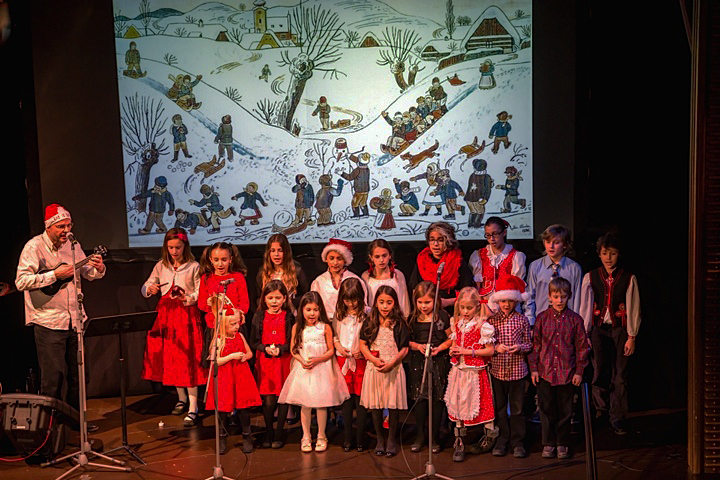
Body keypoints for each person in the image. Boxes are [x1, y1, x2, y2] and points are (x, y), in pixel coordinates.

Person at [15, 204, 106, 414]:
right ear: (49, 227)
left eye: (69, 225)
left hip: (75, 321)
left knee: (80, 376)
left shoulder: (73, 246)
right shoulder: (34, 247)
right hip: (48, 321)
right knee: (53, 377)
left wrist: (98, 268)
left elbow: (88, 272)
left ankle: (76, 422)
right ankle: (50, 427)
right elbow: (21, 282)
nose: (67, 231)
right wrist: (54, 275)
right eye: (61, 227)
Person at [140, 228, 206, 425]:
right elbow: (146, 287)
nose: (174, 251)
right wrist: (149, 289)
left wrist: (187, 298)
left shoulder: (194, 266)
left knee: (188, 359)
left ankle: (193, 406)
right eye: (170, 248)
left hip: (185, 316)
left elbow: (199, 293)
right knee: (172, 358)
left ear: (185, 246)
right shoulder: (161, 266)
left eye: (178, 247)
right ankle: (181, 399)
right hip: (166, 316)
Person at [579, 233, 641, 436]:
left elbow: (634, 307)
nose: (608, 258)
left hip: (620, 329)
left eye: (612, 254)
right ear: (599, 254)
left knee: (620, 374)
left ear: (618, 254)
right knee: (599, 371)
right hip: (598, 329)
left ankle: (618, 416)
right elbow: (585, 306)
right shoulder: (591, 276)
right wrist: (585, 333)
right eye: (605, 253)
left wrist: (632, 336)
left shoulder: (628, 278)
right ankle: (600, 411)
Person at [279, 292, 350, 452]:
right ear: (302, 310)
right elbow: (293, 349)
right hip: (304, 370)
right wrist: (302, 360)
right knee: (305, 404)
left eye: (316, 310)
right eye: (308, 309)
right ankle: (305, 436)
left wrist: (317, 360)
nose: (312, 313)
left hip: (321, 369)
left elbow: (331, 350)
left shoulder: (325, 327)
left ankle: (321, 436)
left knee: (321, 405)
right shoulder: (298, 327)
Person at [530, 277, 589, 459]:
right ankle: (548, 443)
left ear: (568, 297)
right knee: (547, 410)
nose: (559, 300)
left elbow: (581, 347)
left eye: (563, 297)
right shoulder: (542, 318)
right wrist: (534, 369)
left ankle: (562, 442)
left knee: (565, 411)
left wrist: (579, 371)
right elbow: (536, 345)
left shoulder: (575, 320)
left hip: (567, 372)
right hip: (546, 371)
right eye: (556, 296)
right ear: (549, 297)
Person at [445, 287, 498, 462]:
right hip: (459, 370)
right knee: (458, 402)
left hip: (474, 372)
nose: (465, 312)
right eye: (463, 308)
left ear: (477, 307)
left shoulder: (483, 326)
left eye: (469, 308)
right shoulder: (457, 323)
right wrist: (454, 351)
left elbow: (489, 350)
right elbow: (454, 343)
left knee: (480, 403)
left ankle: (489, 436)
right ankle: (459, 439)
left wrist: (468, 352)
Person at [359, 286, 409, 457]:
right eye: (381, 302)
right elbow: (362, 344)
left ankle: (391, 440)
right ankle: (380, 439)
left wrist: (393, 362)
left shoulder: (399, 323)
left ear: (394, 303)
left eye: (389, 302)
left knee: (393, 405)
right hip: (375, 368)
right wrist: (373, 360)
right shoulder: (370, 321)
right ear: (376, 303)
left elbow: (404, 348)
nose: (385, 306)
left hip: (393, 368)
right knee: (376, 405)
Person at [486, 275, 532, 458]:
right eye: (503, 300)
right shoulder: (492, 321)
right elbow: (487, 344)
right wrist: (496, 347)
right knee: (499, 407)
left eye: (510, 301)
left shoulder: (522, 320)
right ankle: (502, 439)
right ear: (498, 301)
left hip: (517, 371)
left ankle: (518, 442)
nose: (506, 304)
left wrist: (519, 347)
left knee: (518, 409)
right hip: (497, 371)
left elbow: (529, 344)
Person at [205, 305, 261, 455]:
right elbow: (215, 361)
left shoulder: (240, 337)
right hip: (224, 378)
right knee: (223, 410)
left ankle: (247, 436)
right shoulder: (218, 340)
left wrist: (244, 356)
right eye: (233, 324)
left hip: (240, 376)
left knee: (243, 409)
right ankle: (222, 438)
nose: (237, 327)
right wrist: (231, 357)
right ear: (223, 325)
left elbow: (250, 353)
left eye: (238, 323)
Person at [407, 281, 452, 454]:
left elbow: (451, 338)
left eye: (427, 302)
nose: (423, 306)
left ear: (435, 301)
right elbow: (406, 342)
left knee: (437, 400)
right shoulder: (412, 318)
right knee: (420, 399)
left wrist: (440, 348)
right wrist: (418, 346)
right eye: (420, 302)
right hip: (419, 363)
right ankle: (420, 435)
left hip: (439, 362)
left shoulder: (442, 316)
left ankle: (434, 437)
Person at [249, 280, 294, 449]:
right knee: (268, 400)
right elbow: (254, 341)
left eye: (278, 298)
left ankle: (279, 432)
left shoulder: (288, 316)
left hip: (283, 361)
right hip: (266, 362)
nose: (274, 302)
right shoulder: (259, 316)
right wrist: (266, 348)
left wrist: (281, 349)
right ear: (264, 299)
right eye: (270, 298)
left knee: (283, 399)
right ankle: (268, 431)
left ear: (284, 299)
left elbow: (292, 341)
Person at [198, 242, 250, 377]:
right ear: (210, 260)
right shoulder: (206, 279)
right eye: (216, 260)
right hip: (215, 327)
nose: (220, 264)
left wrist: (238, 314)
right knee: (218, 365)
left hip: (233, 328)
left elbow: (244, 303)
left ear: (230, 260)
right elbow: (201, 304)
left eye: (224, 260)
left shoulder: (237, 277)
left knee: (236, 365)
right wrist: (209, 303)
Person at [332, 278, 370, 451]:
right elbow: (334, 336)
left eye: (354, 300)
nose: (351, 304)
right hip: (343, 360)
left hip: (362, 360)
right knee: (347, 400)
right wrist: (339, 346)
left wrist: (363, 351)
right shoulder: (339, 314)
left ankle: (361, 437)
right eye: (347, 300)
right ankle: (348, 437)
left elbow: (371, 336)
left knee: (361, 400)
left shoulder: (367, 314)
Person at [469, 216, 528, 317]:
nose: (492, 239)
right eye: (488, 235)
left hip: (507, 308)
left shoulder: (516, 256)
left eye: (495, 234)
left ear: (504, 233)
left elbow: (516, 287)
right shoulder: (479, 255)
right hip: (485, 308)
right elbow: (476, 286)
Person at [409, 222, 473, 312]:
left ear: (448, 241)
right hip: (426, 312)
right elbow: (415, 290)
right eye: (432, 240)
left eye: (440, 240)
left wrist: (447, 302)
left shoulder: (457, 261)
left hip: (452, 311)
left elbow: (468, 295)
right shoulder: (422, 260)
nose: (435, 244)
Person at [526, 224, 582, 326]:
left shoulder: (574, 268)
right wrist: (531, 322)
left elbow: (577, 298)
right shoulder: (535, 266)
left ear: (565, 244)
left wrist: (575, 324)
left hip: (567, 323)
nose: (551, 246)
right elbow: (530, 296)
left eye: (556, 243)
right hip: (542, 322)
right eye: (548, 242)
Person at [310, 238, 368, 319]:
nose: (335, 263)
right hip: (326, 323)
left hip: (349, 323)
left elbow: (363, 305)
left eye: (339, 258)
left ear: (345, 260)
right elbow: (313, 305)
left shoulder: (355, 280)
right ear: (326, 259)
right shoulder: (319, 281)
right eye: (331, 258)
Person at [256, 233, 309, 312]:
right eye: (273, 251)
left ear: (286, 252)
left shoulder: (296, 270)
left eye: (280, 250)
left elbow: (305, 295)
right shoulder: (263, 273)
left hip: (291, 314)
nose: (276, 254)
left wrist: (290, 302)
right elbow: (258, 298)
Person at [361, 239, 410, 318]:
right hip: (374, 320)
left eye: (384, 255)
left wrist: (405, 319)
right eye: (377, 257)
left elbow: (404, 302)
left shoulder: (397, 275)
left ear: (389, 255)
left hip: (394, 319)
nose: (381, 260)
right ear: (371, 257)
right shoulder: (366, 276)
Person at [464, 158, 494, 228]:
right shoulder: (486, 177)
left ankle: (470, 223)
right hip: (479, 198)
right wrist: (485, 198)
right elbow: (487, 189)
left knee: (473, 211)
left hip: (469, 197)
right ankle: (476, 224)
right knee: (480, 211)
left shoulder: (472, 175)